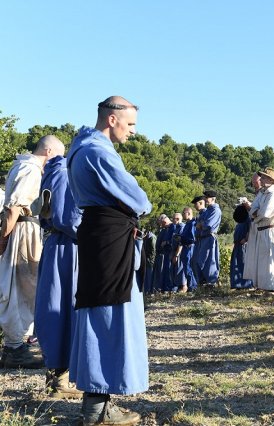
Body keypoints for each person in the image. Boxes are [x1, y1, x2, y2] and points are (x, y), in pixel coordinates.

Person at [66, 96, 151, 425]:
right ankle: (97, 409)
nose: (133, 132)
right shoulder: (97, 152)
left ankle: (99, 404)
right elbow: (138, 199)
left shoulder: (80, 148)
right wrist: (140, 205)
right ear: (112, 120)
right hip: (110, 238)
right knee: (108, 313)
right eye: (130, 125)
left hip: (99, 234)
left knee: (100, 310)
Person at [0, 135, 65, 369]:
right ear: (48, 151)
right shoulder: (29, 169)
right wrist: (4, 239)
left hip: (26, 228)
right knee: (21, 286)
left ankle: (15, 346)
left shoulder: (27, 168)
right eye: (57, 156)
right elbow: (13, 209)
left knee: (26, 286)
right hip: (23, 230)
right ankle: (15, 347)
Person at [34, 152, 84, 398]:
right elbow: (69, 219)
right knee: (63, 309)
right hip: (68, 247)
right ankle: (60, 380)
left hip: (56, 244)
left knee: (55, 306)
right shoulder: (64, 173)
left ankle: (57, 376)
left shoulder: (51, 173)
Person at [247, 167, 274, 291]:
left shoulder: (273, 195)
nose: (261, 179)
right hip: (261, 229)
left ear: (270, 180)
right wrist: (255, 213)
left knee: (269, 259)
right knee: (261, 259)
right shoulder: (262, 194)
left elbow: (265, 213)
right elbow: (253, 209)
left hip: (269, 229)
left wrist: (256, 214)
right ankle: (262, 286)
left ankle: (272, 287)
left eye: (263, 177)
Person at [194, 190, 221, 286]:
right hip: (202, 238)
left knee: (209, 261)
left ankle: (212, 282)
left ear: (213, 199)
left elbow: (208, 225)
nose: (205, 199)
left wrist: (201, 224)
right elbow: (199, 224)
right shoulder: (208, 210)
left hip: (209, 237)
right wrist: (200, 224)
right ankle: (203, 283)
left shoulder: (215, 210)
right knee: (200, 261)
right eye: (205, 197)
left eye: (207, 197)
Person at [242, 172, 263, 284]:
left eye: (256, 182)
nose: (254, 184)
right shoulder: (258, 194)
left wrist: (248, 206)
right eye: (253, 182)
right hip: (255, 227)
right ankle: (256, 282)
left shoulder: (265, 194)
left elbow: (259, 212)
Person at [230, 201, 254, 289]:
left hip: (244, 245)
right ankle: (237, 285)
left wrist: (245, 239)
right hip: (237, 245)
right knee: (236, 264)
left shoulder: (248, 218)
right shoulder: (240, 219)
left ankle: (246, 284)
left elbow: (250, 230)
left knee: (244, 264)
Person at [179, 206, 198, 292]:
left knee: (189, 268)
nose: (182, 215)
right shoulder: (187, 224)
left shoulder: (193, 223)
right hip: (185, 247)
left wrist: (182, 239)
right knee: (186, 268)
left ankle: (193, 287)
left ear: (189, 213)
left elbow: (193, 237)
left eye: (184, 213)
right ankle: (191, 286)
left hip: (190, 247)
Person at [151, 214, 171, 293]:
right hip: (160, 254)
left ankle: (165, 288)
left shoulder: (171, 228)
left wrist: (166, 242)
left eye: (161, 223)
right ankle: (160, 288)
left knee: (164, 272)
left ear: (164, 221)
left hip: (165, 254)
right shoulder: (164, 229)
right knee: (159, 273)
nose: (160, 226)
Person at [168, 212, 185, 293]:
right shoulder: (176, 228)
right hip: (174, 251)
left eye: (173, 218)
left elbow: (180, 243)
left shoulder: (181, 228)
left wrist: (176, 255)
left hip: (179, 252)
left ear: (177, 219)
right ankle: (176, 287)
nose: (172, 220)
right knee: (174, 270)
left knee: (179, 270)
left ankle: (182, 287)